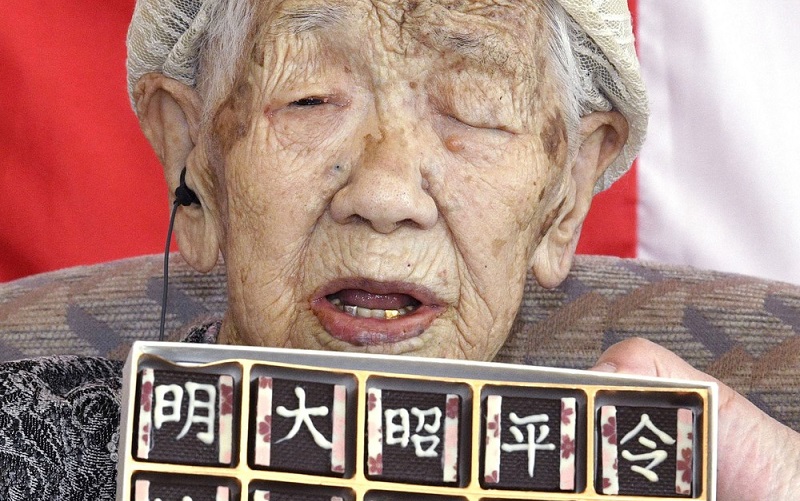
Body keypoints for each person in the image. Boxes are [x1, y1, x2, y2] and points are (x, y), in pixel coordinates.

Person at [0, 0, 797, 499]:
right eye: (309, 99)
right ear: (195, 163)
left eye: (475, 110)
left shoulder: (672, 465)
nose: (384, 195)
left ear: (567, 194)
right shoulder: (28, 450)